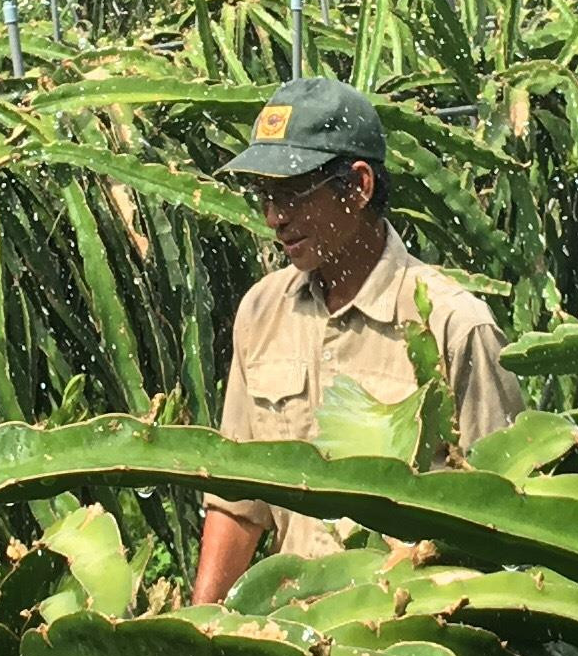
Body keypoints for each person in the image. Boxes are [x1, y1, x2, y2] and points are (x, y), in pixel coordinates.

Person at [193, 76, 521, 602]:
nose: (274, 218)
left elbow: (504, 518)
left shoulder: (455, 325)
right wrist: (196, 631)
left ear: (358, 186)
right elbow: (238, 501)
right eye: (264, 196)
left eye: (292, 193)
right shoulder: (261, 312)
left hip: (416, 638)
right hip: (295, 636)